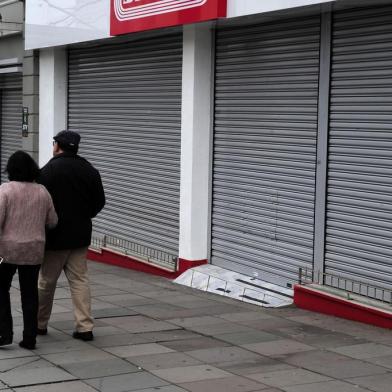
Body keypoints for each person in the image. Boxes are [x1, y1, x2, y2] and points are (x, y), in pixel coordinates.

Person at [37, 130, 105, 341]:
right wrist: (84, 216)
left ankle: (39, 324)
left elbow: (40, 203)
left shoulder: (47, 171)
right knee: (80, 280)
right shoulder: (89, 170)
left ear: (58, 146)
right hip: (80, 236)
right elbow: (99, 202)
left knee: (46, 282)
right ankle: (85, 327)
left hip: (55, 237)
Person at [0, 151, 58, 350]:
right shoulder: (42, 191)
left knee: (1, 289)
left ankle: (4, 333)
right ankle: (30, 337)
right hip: (34, 250)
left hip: (6, 252)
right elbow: (53, 221)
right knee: (30, 293)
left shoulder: (5, 190)